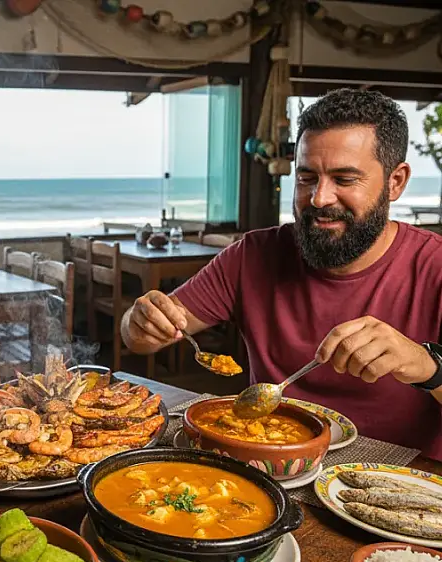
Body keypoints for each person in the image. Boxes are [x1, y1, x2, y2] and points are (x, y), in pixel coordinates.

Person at [121, 88, 442, 459]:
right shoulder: (253, 255)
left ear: (395, 181)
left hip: (399, 476)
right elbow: (139, 338)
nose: (319, 198)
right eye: (307, 178)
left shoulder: (434, 265)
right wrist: (140, 321)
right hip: (270, 463)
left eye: (344, 179)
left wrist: (427, 366)